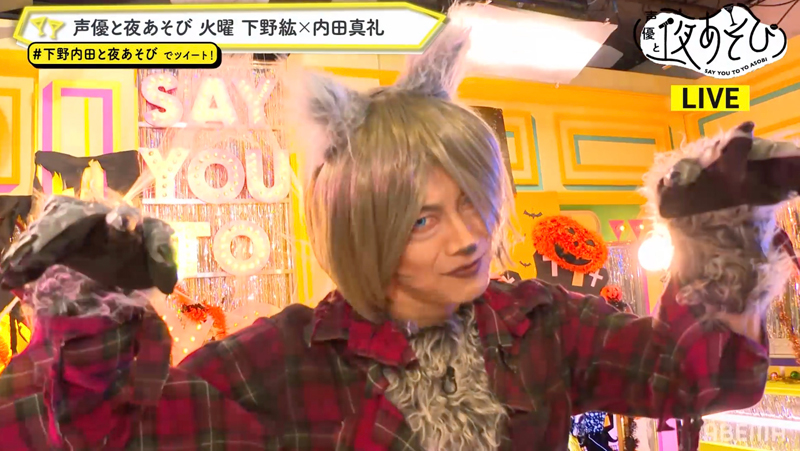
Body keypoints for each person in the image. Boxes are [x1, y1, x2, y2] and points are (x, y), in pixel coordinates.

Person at [1, 21, 798, 451]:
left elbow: (696, 379)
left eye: (474, 201)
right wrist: (90, 312)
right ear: (364, 228)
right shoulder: (287, 360)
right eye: (423, 218)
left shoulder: (541, 322)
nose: (470, 236)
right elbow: (98, 434)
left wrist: (720, 233)